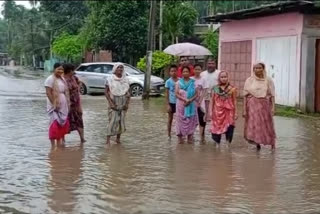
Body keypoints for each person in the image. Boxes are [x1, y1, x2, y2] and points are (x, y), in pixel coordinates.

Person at [243, 62, 276, 151]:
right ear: (253, 69)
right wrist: (244, 110)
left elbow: (272, 95)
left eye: (259, 68)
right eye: (255, 68)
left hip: (265, 105)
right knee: (255, 124)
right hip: (252, 105)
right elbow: (245, 96)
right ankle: (257, 144)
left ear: (263, 69)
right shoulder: (249, 80)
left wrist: (273, 108)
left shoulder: (268, 80)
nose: (257, 70)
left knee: (267, 125)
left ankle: (272, 144)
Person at [105, 63, 131, 144]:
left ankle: (118, 139)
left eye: (121, 67)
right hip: (113, 101)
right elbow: (106, 92)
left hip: (123, 101)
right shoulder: (109, 79)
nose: (120, 69)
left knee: (121, 121)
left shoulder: (126, 79)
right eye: (118, 67)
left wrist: (127, 104)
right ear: (115, 69)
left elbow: (128, 93)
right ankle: (108, 140)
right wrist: (110, 103)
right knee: (112, 121)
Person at [45, 63, 70, 147]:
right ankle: (52, 146)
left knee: (61, 124)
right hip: (54, 104)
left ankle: (59, 144)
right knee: (54, 124)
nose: (60, 71)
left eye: (62, 69)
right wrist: (54, 104)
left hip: (63, 104)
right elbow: (48, 92)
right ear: (54, 69)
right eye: (58, 69)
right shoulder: (50, 79)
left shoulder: (62, 79)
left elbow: (65, 91)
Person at [211, 71, 238, 145]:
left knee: (230, 127)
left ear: (228, 77)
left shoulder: (232, 88)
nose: (223, 78)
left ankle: (228, 144)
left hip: (229, 111)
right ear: (219, 78)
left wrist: (236, 112)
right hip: (217, 112)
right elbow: (212, 100)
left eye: (225, 77)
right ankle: (217, 144)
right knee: (217, 127)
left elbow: (234, 101)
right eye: (222, 77)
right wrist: (210, 112)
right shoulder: (215, 88)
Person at [175, 66, 198, 144]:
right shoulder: (178, 82)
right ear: (181, 73)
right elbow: (176, 94)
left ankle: (190, 138)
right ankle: (180, 140)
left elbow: (196, 94)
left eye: (187, 71)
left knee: (190, 121)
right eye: (184, 72)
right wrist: (185, 100)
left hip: (191, 105)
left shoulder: (193, 82)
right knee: (180, 121)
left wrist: (190, 100)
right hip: (181, 106)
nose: (185, 73)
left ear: (190, 72)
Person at [63, 63, 85, 143]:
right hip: (66, 105)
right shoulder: (62, 80)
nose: (74, 71)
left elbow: (80, 83)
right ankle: (62, 140)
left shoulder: (74, 78)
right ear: (69, 70)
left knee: (79, 120)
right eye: (73, 70)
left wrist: (77, 89)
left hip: (76, 104)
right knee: (65, 122)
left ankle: (82, 139)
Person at [201, 57, 221, 122]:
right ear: (207, 64)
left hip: (216, 94)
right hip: (205, 95)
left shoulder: (219, 73)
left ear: (215, 64)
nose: (211, 65)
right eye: (209, 63)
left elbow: (222, 85)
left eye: (212, 63)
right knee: (205, 113)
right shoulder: (202, 74)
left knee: (216, 113)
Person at [192, 64, 208, 143]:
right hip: (192, 101)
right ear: (193, 70)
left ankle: (202, 136)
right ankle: (191, 135)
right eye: (196, 69)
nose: (197, 71)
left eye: (199, 69)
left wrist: (200, 101)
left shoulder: (203, 79)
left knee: (202, 119)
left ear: (201, 70)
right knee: (192, 118)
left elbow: (205, 91)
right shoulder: (191, 79)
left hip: (201, 102)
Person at [165, 65, 179, 138]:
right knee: (170, 119)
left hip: (179, 103)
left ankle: (179, 133)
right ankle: (169, 134)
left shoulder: (180, 81)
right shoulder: (168, 82)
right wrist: (168, 105)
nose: (173, 72)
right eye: (172, 71)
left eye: (175, 71)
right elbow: (167, 94)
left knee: (179, 119)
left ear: (177, 71)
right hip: (171, 102)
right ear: (170, 72)